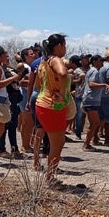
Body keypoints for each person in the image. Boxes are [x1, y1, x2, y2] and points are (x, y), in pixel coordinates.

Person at [33, 34, 71, 181]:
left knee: (56, 142)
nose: (66, 49)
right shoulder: (55, 60)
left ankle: (50, 175)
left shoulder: (43, 62)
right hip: (53, 106)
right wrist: (62, 93)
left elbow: (37, 85)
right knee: (57, 144)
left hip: (42, 103)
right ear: (59, 46)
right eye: (65, 45)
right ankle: (50, 177)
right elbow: (62, 73)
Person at [81, 54, 109, 151]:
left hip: (92, 100)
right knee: (94, 123)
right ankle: (86, 144)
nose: (102, 62)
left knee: (95, 122)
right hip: (91, 100)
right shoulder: (94, 71)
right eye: (100, 60)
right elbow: (91, 84)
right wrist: (104, 85)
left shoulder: (94, 71)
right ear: (94, 61)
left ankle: (89, 142)